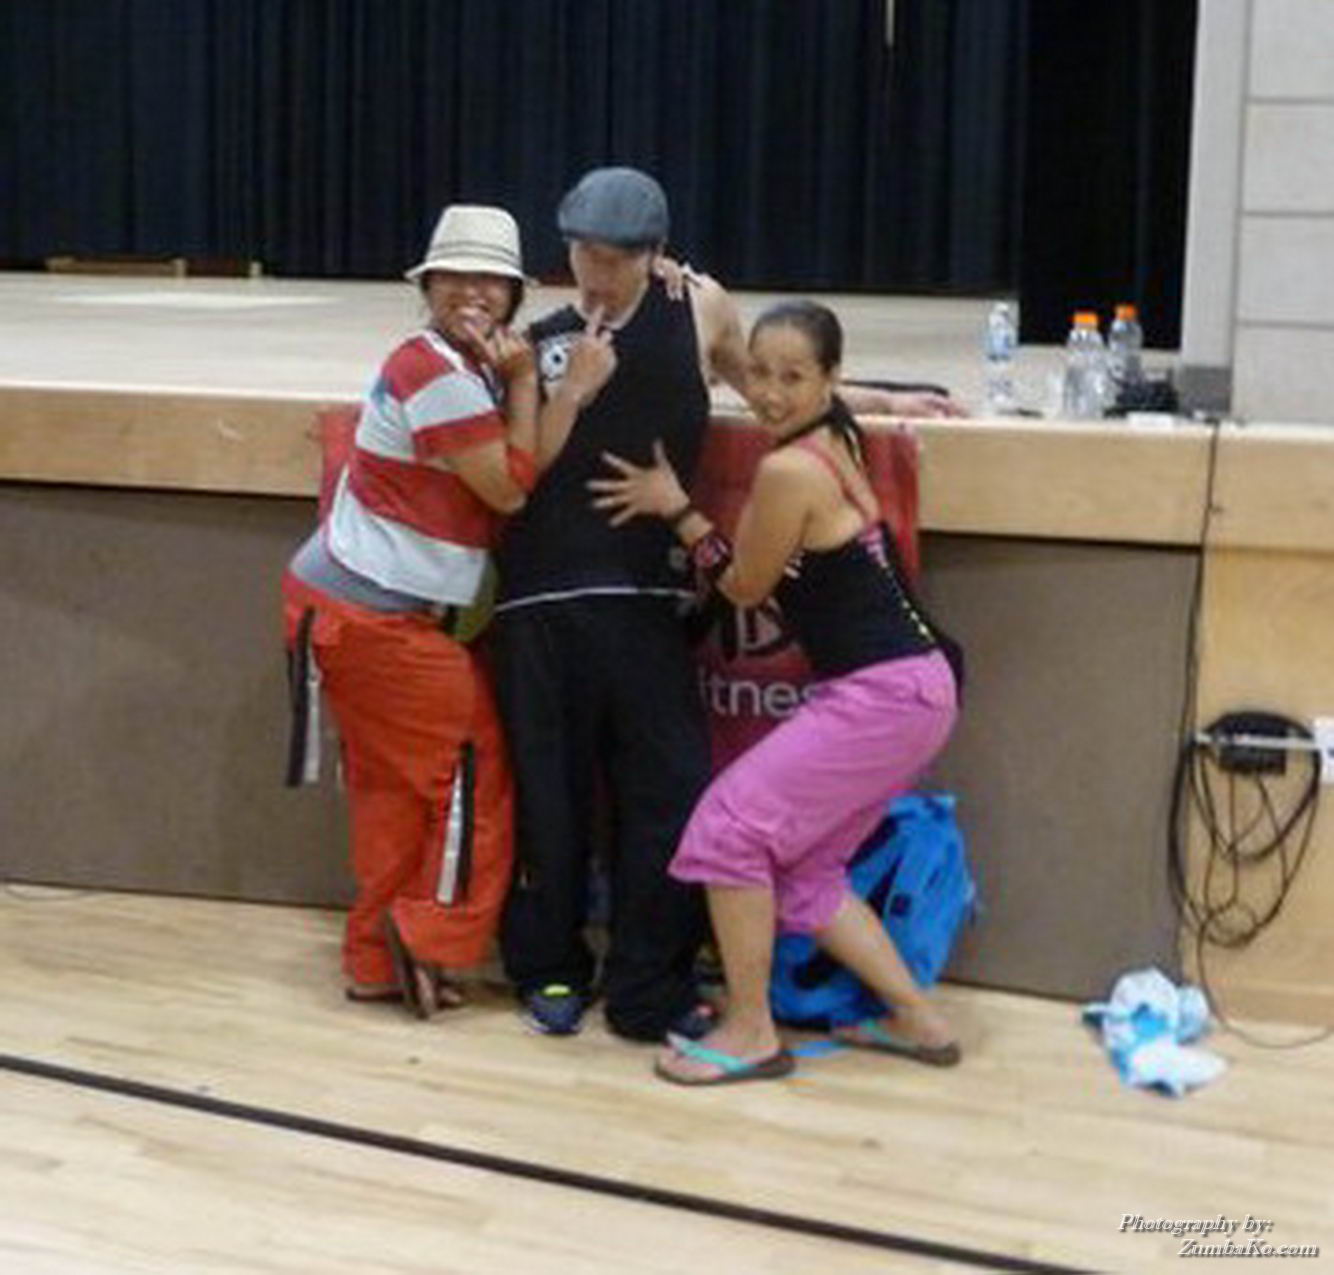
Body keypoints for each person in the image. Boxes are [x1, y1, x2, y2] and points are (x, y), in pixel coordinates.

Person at [589, 299, 964, 1084]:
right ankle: (919, 1019)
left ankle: (751, 1030)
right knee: (805, 875)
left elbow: (743, 587)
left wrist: (676, 507)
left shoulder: (788, 469)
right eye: (758, 373)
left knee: (727, 829)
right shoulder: (837, 435)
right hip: (915, 688)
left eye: (792, 377)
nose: (768, 393)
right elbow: (811, 406)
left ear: (830, 378)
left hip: (886, 693)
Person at [282, 204, 539, 1017]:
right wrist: (531, 385)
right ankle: (427, 942)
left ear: (514, 294)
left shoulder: (452, 364)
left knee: (394, 791)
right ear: (426, 286)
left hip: (349, 607)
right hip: (372, 618)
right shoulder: (439, 374)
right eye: (455, 276)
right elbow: (507, 487)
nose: (473, 292)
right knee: (470, 771)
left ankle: (374, 959)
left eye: (490, 279)